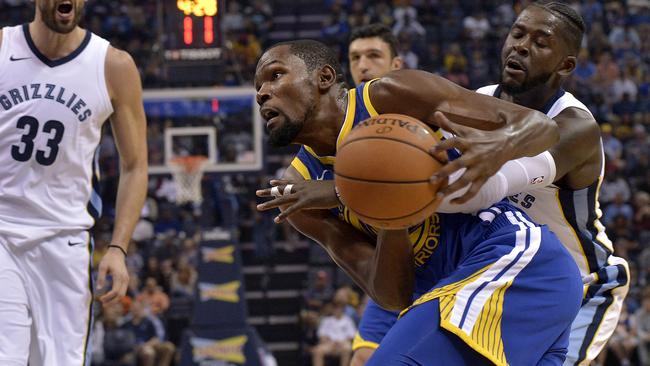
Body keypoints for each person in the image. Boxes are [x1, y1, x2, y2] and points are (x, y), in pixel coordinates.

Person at [254, 40, 582, 364]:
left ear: (324, 78)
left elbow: (540, 127)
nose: (262, 93)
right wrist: (387, 215)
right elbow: (390, 296)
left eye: (275, 75)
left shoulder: (389, 96)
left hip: (510, 261)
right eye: (258, 87)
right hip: (451, 290)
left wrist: (499, 146)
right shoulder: (298, 194)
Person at [0, 1, 148, 365]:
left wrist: (118, 247)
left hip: (65, 241)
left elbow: (135, 165)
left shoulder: (113, 65)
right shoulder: (3, 48)